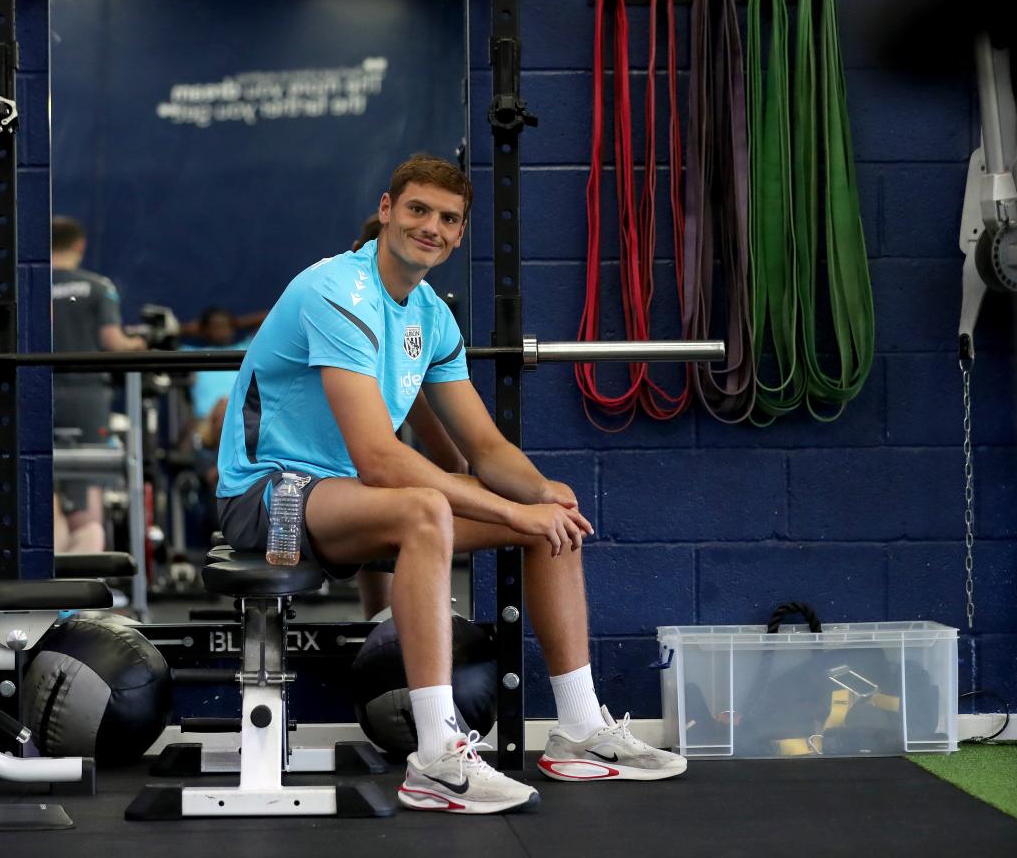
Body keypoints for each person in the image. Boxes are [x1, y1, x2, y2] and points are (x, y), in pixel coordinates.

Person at [215, 154, 686, 815]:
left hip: (349, 500)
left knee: (553, 508)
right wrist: (507, 511)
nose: (429, 227)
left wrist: (536, 496)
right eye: (417, 210)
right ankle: (437, 758)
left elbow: (486, 447)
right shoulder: (335, 291)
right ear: (386, 210)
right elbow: (381, 459)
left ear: (460, 233)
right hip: (272, 498)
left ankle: (579, 730)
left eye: (447, 218)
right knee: (426, 510)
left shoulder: (430, 316)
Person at [350, 213, 468, 620]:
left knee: (411, 491)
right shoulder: (349, 307)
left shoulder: (416, 318)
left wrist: (457, 469)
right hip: (329, 478)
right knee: (389, 483)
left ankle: (386, 620)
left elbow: (414, 395)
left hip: (370, 466)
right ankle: (381, 618)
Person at [50, 215, 147, 554]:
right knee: (85, 511)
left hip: (33, 399)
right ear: (80, 245)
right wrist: (138, 344)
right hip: (86, 401)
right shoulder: (97, 286)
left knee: (44, 498)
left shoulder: (27, 284)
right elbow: (113, 342)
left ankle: (44, 590)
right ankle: (78, 593)